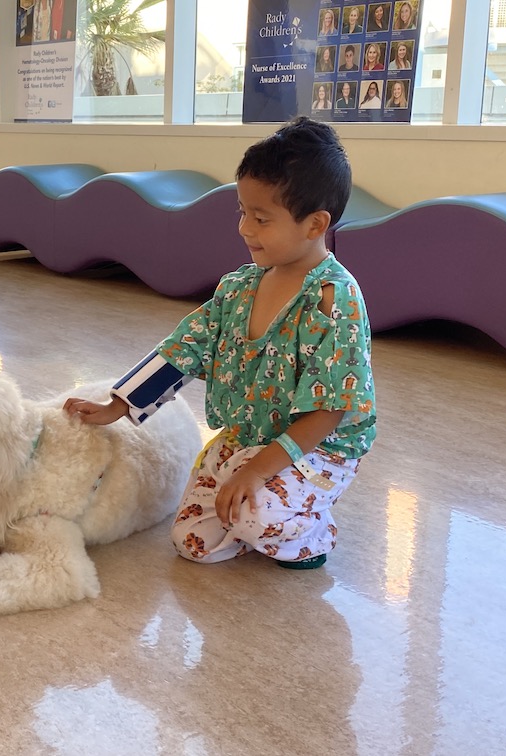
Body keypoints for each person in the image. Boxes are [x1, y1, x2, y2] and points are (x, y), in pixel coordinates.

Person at [63, 117, 376, 569]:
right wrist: (119, 404)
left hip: (313, 449)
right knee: (192, 543)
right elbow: (182, 350)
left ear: (315, 224)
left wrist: (257, 472)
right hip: (245, 437)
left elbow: (330, 410)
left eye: (261, 218)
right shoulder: (238, 289)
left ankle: (312, 534)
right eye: (242, 212)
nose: (245, 228)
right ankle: (262, 511)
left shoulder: (332, 299)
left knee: (252, 517)